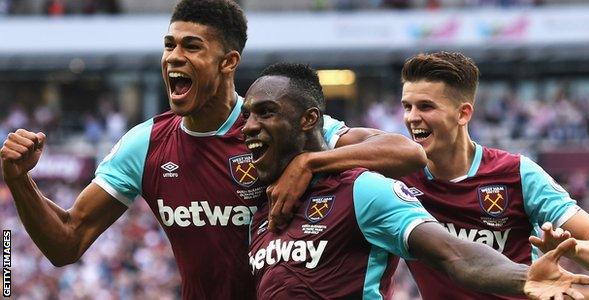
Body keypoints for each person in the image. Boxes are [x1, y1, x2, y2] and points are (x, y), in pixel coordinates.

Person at [0, 1, 426, 299]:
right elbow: (67, 243)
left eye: (191, 47)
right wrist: (19, 181)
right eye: (169, 45)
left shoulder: (272, 126)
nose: (173, 57)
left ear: (228, 62)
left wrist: (310, 161)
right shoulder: (145, 143)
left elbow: (405, 153)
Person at [242, 62, 589, 300]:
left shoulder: (363, 189)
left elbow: (454, 254)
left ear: (310, 120)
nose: (249, 128)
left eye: (266, 112)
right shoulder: (263, 210)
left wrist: (525, 279)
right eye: (246, 116)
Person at [397, 51, 589, 299]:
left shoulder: (517, 173)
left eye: (426, 106)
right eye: (407, 106)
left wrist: (572, 247)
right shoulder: (398, 183)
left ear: (463, 113)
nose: (412, 117)